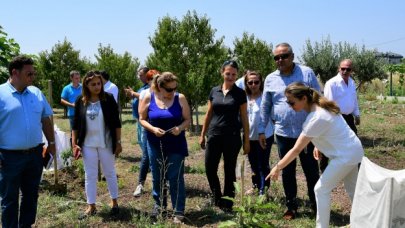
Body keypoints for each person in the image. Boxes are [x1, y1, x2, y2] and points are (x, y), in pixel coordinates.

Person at [267, 82, 364, 228]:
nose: (289, 105)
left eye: (291, 102)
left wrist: (278, 167)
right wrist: (318, 145)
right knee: (354, 190)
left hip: (346, 156)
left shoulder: (317, 117)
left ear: (304, 99)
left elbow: (296, 150)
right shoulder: (322, 108)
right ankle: (364, 222)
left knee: (321, 189)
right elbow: (334, 130)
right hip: (354, 151)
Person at [259, 42, 320, 220]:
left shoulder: (306, 73)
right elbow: (265, 106)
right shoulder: (270, 79)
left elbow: (317, 99)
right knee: (287, 171)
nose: (280, 60)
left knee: (311, 171)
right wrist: (262, 130)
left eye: (284, 56)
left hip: (307, 132)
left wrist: (319, 129)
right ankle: (291, 206)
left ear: (292, 56)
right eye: (276, 57)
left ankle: (316, 205)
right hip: (283, 133)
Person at [0, 55, 56, 227]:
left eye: (34, 73)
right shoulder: (1, 94)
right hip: (8, 157)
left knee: (31, 195)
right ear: (15, 73)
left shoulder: (37, 93)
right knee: (9, 199)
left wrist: (52, 144)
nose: (33, 77)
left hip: (34, 155)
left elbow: (46, 118)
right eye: (29, 73)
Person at [139, 72, 190, 223]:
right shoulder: (149, 97)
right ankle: (159, 206)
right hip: (155, 144)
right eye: (169, 89)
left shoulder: (180, 98)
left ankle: (178, 210)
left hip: (176, 144)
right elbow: (142, 119)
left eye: (175, 88)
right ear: (159, 87)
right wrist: (153, 129)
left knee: (176, 178)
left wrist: (180, 128)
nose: (172, 92)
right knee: (157, 177)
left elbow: (187, 119)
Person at [199, 60, 250, 211]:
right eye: (228, 73)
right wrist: (202, 134)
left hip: (232, 137)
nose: (231, 77)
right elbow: (208, 114)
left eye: (234, 74)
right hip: (214, 136)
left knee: (229, 170)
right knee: (209, 168)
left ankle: (228, 202)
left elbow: (244, 118)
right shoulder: (214, 91)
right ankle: (217, 197)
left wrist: (246, 140)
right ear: (222, 72)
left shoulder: (240, 94)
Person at [72, 70, 122, 219]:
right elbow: (75, 124)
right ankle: (91, 206)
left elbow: (116, 123)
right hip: (87, 144)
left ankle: (114, 203)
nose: (97, 86)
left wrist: (118, 142)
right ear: (86, 85)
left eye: (99, 83)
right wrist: (74, 143)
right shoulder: (80, 101)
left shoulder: (108, 98)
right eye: (93, 84)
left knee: (110, 173)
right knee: (90, 175)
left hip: (106, 143)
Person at [124, 68, 159, 197]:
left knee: (162, 156)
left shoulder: (165, 93)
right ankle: (140, 184)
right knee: (146, 156)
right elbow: (142, 116)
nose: (156, 82)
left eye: (157, 79)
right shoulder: (145, 93)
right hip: (148, 128)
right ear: (149, 81)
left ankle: (163, 183)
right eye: (153, 80)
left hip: (161, 130)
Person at [321, 59, 360, 172]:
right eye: (343, 68)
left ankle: (354, 169)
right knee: (331, 143)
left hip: (349, 118)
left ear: (351, 70)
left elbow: (354, 100)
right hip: (336, 117)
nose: (345, 71)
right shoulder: (332, 83)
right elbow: (328, 104)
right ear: (339, 69)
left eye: (348, 69)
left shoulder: (352, 82)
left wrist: (357, 114)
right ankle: (324, 169)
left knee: (354, 143)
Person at [242, 71, 274, 196]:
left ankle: (263, 190)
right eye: (250, 82)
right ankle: (255, 186)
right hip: (249, 137)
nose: (253, 85)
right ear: (246, 83)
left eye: (256, 82)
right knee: (253, 163)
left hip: (265, 136)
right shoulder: (244, 98)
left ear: (261, 83)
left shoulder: (265, 97)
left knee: (263, 164)